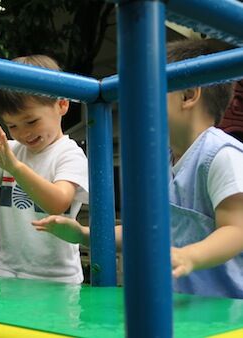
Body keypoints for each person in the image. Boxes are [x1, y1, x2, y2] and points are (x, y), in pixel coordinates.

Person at [33, 39, 243, 299]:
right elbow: (143, 232)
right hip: (182, 307)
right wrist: (86, 235)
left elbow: (236, 229)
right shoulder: (161, 161)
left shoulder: (221, 155)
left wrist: (190, 256)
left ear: (188, 95)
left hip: (229, 313)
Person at [0, 55, 89, 284]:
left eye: (31, 121)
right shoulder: (10, 150)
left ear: (62, 104)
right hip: (8, 272)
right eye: (12, 125)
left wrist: (14, 167)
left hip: (56, 278)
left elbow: (58, 203)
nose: (23, 133)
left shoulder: (68, 153)